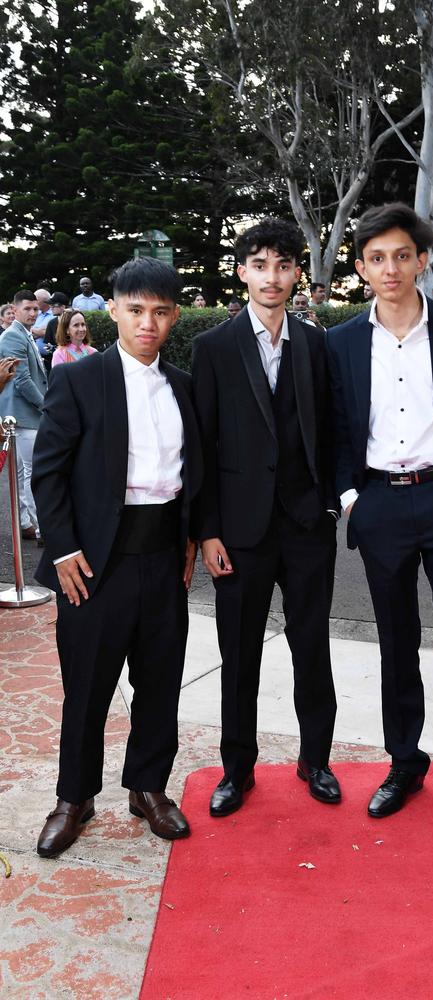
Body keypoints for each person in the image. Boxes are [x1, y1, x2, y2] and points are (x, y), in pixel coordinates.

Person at [327, 202, 433, 821]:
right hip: (380, 505)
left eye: (403, 255)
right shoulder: (340, 342)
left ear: (422, 260)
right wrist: (352, 499)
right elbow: (335, 430)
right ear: (361, 268)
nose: (392, 267)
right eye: (378, 258)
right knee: (396, 644)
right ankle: (405, 763)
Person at [31, 256, 203, 858]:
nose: (147, 323)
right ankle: (73, 798)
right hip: (94, 563)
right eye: (135, 310)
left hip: (162, 557)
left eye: (159, 312)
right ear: (113, 310)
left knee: (160, 680)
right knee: (88, 685)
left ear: (174, 315)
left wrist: (189, 538)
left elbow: (193, 473)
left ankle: (147, 788)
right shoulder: (80, 380)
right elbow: (47, 474)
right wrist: (63, 550)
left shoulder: (184, 384)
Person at [193, 217, 340, 817]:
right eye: (260, 265)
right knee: (240, 654)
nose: (272, 276)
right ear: (242, 271)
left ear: (296, 272)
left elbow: (332, 430)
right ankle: (237, 768)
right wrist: (206, 530)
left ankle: (317, 759)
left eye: (283, 265)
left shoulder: (314, 343)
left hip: (307, 526)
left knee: (313, 648)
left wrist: (330, 504)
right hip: (239, 532)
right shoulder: (213, 347)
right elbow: (200, 446)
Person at [0, 289, 48, 543]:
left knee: (22, 472)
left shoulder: (23, 334)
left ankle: (26, 523)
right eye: (27, 309)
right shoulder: (13, 336)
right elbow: (23, 381)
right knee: (32, 472)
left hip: (23, 415)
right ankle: (42, 528)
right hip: (23, 414)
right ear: (14, 310)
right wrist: (47, 406)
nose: (32, 313)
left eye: (35, 309)